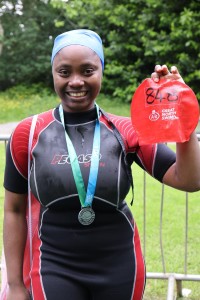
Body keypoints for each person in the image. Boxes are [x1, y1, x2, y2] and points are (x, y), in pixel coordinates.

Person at [2, 29, 200, 300]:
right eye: (64, 72)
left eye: (87, 71)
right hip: (53, 267)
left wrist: (183, 119)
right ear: (53, 73)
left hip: (120, 266)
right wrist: (14, 285)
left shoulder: (126, 129)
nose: (76, 81)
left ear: (101, 71)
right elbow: (13, 211)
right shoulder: (28, 132)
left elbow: (189, 180)